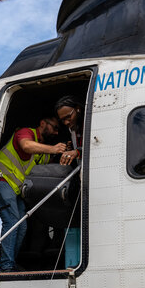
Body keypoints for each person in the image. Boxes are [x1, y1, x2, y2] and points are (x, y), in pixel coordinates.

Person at [0, 116, 67, 272]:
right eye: (54, 127)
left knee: (21, 226)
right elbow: (26, 146)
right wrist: (53, 149)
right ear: (42, 123)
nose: (55, 132)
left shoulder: (42, 151)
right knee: (12, 221)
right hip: (3, 180)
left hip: (16, 189)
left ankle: (10, 262)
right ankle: (6, 266)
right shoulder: (26, 133)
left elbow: (47, 168)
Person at [54, 95, 84, 269]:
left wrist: (77, 152)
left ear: (78, 109)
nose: (66, 122)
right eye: (62, 120)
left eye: (68, 116)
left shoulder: (87, 123)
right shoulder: (71, 129)